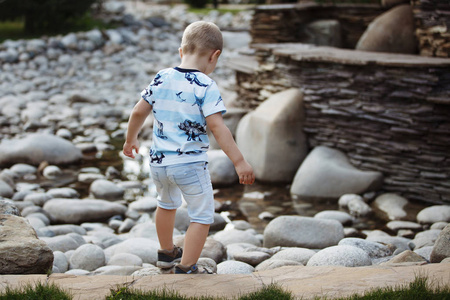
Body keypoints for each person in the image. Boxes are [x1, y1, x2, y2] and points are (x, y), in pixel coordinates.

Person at [123, 21, 255, 274]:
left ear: (181, 51)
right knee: (202, 215)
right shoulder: (205, 85)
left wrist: (131, 140)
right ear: (214, 56)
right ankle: (186, 268)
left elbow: (138, 111)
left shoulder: (162, 77)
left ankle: (165, 253)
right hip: (190, 165)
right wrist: (239, 161)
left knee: (166, 204)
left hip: (159, 163)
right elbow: (217, 128)